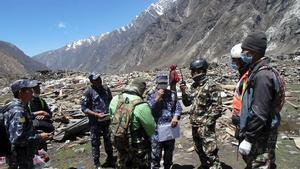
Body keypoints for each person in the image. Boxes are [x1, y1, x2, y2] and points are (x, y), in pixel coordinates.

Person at [238, 31, 285, 169]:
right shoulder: (259, 71)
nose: (242, 54)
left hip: (261, 136)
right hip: (261, 133)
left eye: (244, 51)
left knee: (260, 164)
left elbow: (259, 112)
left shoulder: (262, 76)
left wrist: (248, 139)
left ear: (252, 52)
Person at [180, 58, 223, 169]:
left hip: (205, 127)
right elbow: (187, 102)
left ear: (199, 71)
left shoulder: (212, 85)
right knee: (199, 150)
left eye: (193, 71)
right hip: (195, 126)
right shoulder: (194, 86)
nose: (191, 73)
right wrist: (184, 92)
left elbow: (218, 108)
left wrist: (207, 124)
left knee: (210, 152)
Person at [109, 78, 156, 169]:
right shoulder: (141, 105)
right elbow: (151, 129)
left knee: (123, 163)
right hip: (136, 144)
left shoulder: (115, 99)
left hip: (119, 139)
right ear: (141, 90)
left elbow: (111, 117)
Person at [4, 79, 51, 168]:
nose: (32, 92)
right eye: (29, 90)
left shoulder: (21, 108)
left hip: (24, 156)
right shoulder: (18, 112)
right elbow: (17, 139)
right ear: (21, 92)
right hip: (19, 159)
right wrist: (39, 137)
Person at [147, 73, 182, 169]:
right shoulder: (151, 94)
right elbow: (148, 109)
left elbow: (178, 108)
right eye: (161, 83)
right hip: (156, 131)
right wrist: (157, 98)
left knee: (168, 153)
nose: (163, 85)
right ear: (156, 83)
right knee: (155, 155)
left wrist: (175, 117)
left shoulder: (172, 94)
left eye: (164, 83)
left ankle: (168, 166)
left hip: (170, 128)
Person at [81, 73, 114, 169]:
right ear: (92, 82)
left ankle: (110, 159)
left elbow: (111, 101)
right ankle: (97, 163)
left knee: (108, 140)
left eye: (99, 78)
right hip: (95, 123)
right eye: (96, 79)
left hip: (107, 120)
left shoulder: (106, 89)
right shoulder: (88, 92)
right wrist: (96, 114)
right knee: (95, 142)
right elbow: (84, 108)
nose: (99, 80)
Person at [29, 80, 55, 151]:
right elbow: (26, 116)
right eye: (35, 88)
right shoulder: (27, 102)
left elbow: (49, 114)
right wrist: (38, 113)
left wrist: (45, 116)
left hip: (44, 124)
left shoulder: (41, 100)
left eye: (38, 87)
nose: (38, 89)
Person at [230, 43, 249, 139]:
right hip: (241, 121)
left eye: (236, 62)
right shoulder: (244, 75)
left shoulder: (249, 77)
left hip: (246, 124)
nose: (235, 64)